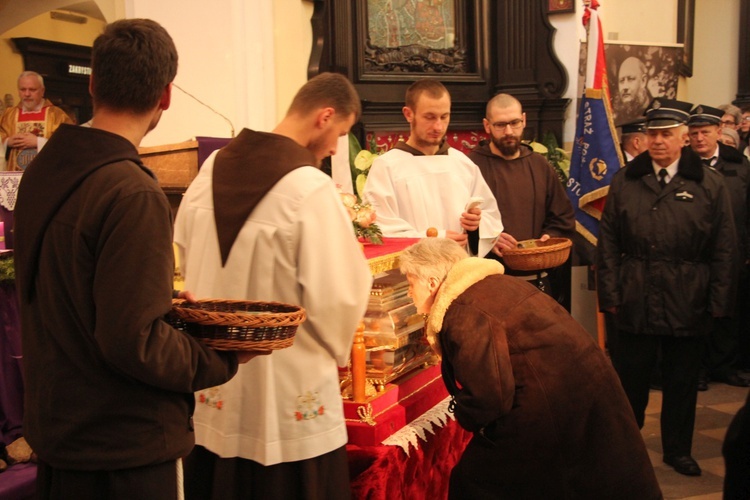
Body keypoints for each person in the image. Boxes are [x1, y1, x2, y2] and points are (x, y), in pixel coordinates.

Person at [13, 19, 255, 499]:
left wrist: (162, 305)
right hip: (119, 449)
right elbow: (134, 342)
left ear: (92, 83)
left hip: (63, 432)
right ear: (165, 96)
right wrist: (221, 356)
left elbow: (74, 293)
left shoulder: (40, 173)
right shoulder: (131, 191)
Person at [175, 72, 372, 499]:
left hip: (215, 385)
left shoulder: (210, 171)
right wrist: (337, 343)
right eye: (340, 133)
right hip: (287, 397)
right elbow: (339, 293)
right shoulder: (309, 187)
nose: (337, 147)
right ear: (324, 117)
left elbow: (185, 260)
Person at [398, 238, 662, 499]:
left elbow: (490, 396)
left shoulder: (465, 310)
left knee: (475, 483)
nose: (409, 294)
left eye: (410, 284)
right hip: (580, 398)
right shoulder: (497, 285)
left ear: (432, 283)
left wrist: (465, 414)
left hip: (553, 413)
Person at [597, 98, 738, 477]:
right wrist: (610, 295)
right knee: (632, 382)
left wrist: (718, 302)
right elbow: (608, 243)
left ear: (683, 139)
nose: (658, 141)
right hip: (635, 296)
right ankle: (627, 447)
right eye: (652, 134)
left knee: (682, 382)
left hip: (688, 296)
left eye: (666, 135)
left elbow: (725, 246)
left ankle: (678, 450)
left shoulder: (710, 183)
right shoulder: (625, 181)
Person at [362, 78, 503, 257]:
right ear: (408, 114)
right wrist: (435, 240)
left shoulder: (463, 164)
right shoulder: (387, 167)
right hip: (413, 277)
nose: (438, 126)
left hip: (460, 272)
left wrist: (476, 225)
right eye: (429, 117)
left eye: (444, 117)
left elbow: (490, 217)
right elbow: (380, 231)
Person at [468, 93, 574, 297]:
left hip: (538, 280)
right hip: (489, 282)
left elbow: (562, 217)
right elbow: (460, 220)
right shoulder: (471, 167)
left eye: (514, 123)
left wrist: (549, 238)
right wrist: (489, 238)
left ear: (524, 120)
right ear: (487, 125)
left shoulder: (540, 165)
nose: (509, 131)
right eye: (500, 125)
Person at [687, 105, 750, 390]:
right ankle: (697, 368)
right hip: (694, 253)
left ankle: (725, 366)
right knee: (695, 311)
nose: (700, 138)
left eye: (705, 132)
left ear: (718, 132)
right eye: (695, 133)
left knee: (729, 309)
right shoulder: (683, 166)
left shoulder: (738, 165)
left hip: (733, 249)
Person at [0, 71, 73, 171]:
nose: (27, 94)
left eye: (32, 89)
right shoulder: (8, 115)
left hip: (46, 176)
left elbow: (70, 144)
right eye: (23, 89)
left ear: (42, 91)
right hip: (14, 178)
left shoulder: (57, 115)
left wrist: (39, 142)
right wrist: (7, 142)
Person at [613, 56, 651, 125]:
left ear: (643, 81)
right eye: (621, 81)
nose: (625, 87)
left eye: (630, 79)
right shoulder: (615, 121)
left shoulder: (657, 114)